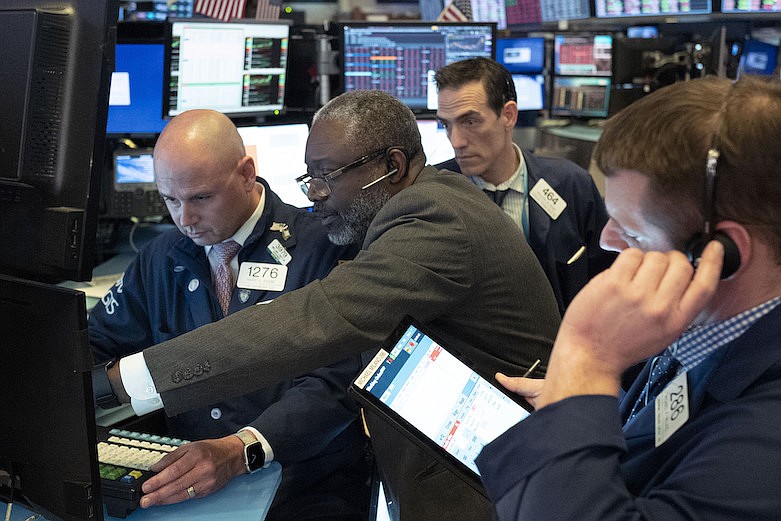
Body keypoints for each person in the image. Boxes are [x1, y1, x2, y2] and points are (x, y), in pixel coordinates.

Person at [100, 91, 562, 521]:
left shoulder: (432, 219)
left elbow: (322, 319)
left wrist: (126, 379)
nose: (312, 195)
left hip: (490, 479)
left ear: (392, 166)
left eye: (326, 178)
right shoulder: (428, 204)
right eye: (309, 178)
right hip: (467, 459)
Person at [476, 76, 781, 521]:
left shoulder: (767, 440)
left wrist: (586, 361)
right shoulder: (703, 327)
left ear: (722, 252)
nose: (605, 240)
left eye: (633, 230)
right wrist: (580, 406)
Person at [90, 109, 370, 521]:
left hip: (306, 484)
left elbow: (336, 383)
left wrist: (241, 450)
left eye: (201, 197)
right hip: (192, 490)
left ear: (246, 173)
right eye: (170, 199)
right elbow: (95, 342)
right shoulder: (161, 257)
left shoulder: (322, 245)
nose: (185, 219)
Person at [434, 57, 616, 313]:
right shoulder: (433, 192)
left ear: (508, 115)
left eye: (470, 122)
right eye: (446, 124)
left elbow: (608, 276)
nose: (456, 141)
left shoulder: (571, 184)